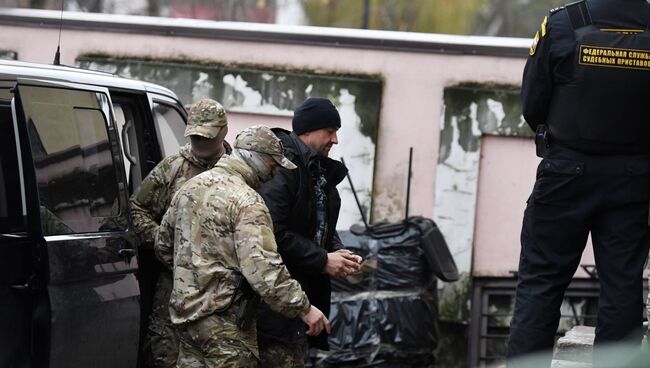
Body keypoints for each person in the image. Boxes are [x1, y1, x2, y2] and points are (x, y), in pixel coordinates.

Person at [507, 0, 650, 366]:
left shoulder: (563, 23)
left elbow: (533, 101)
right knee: (623, 284)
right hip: (635, 177)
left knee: (541, 282)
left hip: (565, 172)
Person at [155, 125, 330, 368]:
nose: (273, 174)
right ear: (256, 159)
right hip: (227, 329)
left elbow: (164, 245)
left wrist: (197, 278)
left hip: (186, 321)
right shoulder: (247, 202)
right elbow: (265, 271)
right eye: (273, 166)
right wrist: (305, 308)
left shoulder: (190, 188)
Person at [256, 97, 363, 367]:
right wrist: (323, 260)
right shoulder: (283, 168)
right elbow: (272, 234)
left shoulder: (316, 169)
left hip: (301, 308)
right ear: (307, 130)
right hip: (274, 311)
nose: (335, 140)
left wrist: (337, 251)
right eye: (330, 131)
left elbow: (316, 223)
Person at [130, 98, 229, 368]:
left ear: (223, 131)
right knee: (164, 353)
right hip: (175, 285)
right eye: (194, 135)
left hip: (222, 292)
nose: (199, 141)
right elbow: (137, 209)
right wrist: (166, 242)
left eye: (205, 136)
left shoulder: (237, 172)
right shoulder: (173, 168)